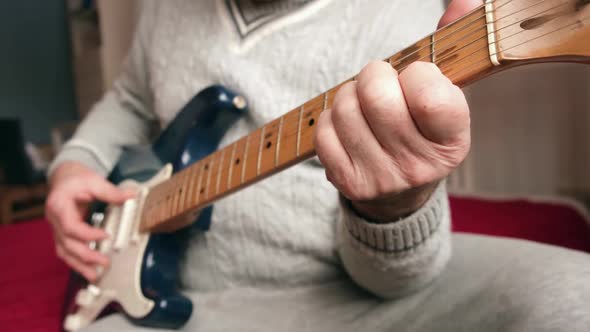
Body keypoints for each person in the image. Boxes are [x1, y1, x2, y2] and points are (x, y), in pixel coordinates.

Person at [46, 0, 590, 331]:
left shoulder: (402, 13)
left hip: (354, 294)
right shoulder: (164, 9)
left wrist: (393, 207)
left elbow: (401, 280)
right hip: (188, 293)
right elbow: (131, 100)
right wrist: (73, 166)